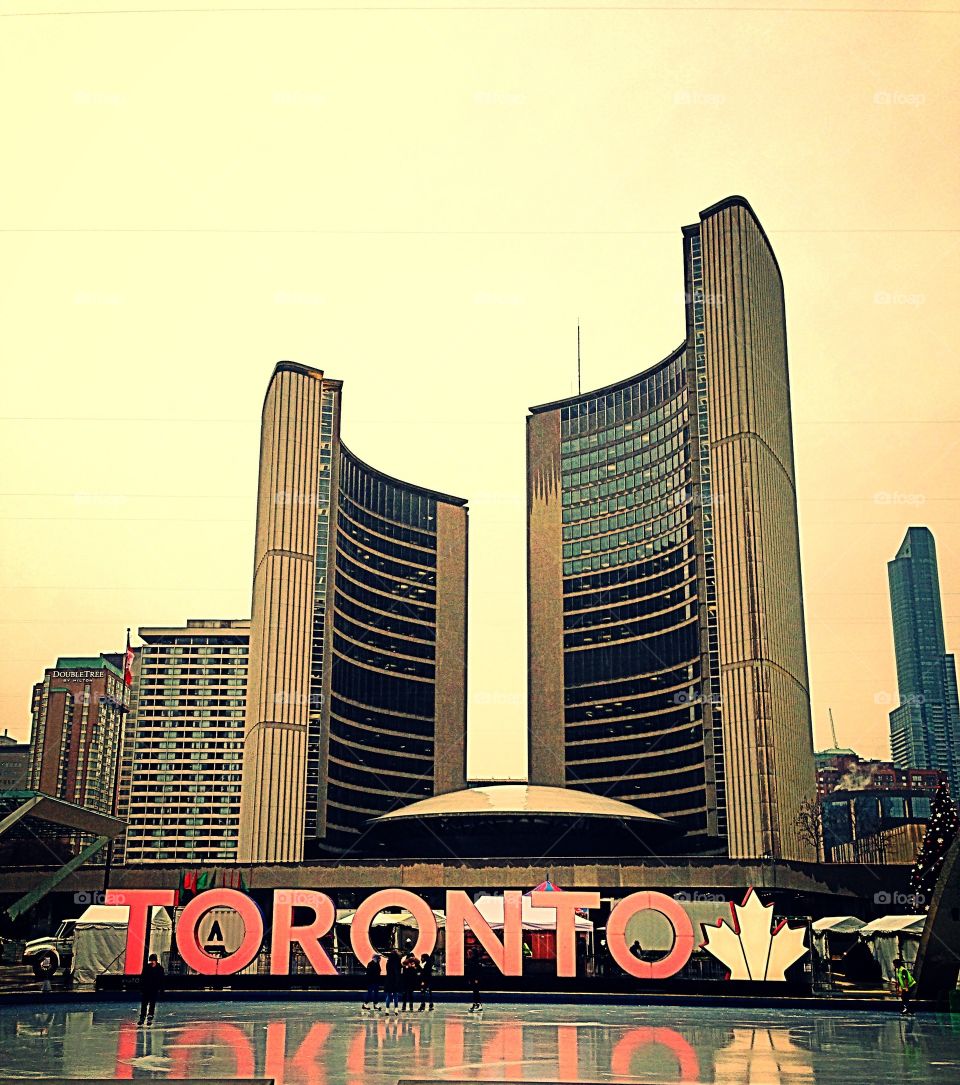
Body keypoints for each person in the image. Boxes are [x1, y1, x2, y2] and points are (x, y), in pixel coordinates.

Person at [137, 953, 164, 1026]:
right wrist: (141, 988)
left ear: (156, 961)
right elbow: (142, 978)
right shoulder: (146, 967)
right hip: (146, 989)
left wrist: (161, 990)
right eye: (151, 960)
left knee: (152, 1004)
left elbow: (161, 980)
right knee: (144, 1004)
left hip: (154, 990)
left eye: (153, 961)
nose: (152, 962)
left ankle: (149, 1018)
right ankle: (142, 1018)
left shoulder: (160, 969)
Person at [384, 949, 403, 1014]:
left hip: (389, 979)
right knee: (395, 995)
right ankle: (396, 1009)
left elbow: (387, 970)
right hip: (396, 980)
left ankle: (387, 1010)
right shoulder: (398, 962)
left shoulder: (388, 962)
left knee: (388, 995)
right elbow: (399, 971)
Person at [466, 948, 483, 1012]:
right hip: (472, 978)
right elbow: (470, 971)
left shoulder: (475, 961)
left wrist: (476, 979)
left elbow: (477, 970)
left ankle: (478, 1004)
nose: (468, 954)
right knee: (474, 992)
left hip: (475, 979)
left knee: (476, 992)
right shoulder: (470, 960)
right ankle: (476, 1004)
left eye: (470, 953)